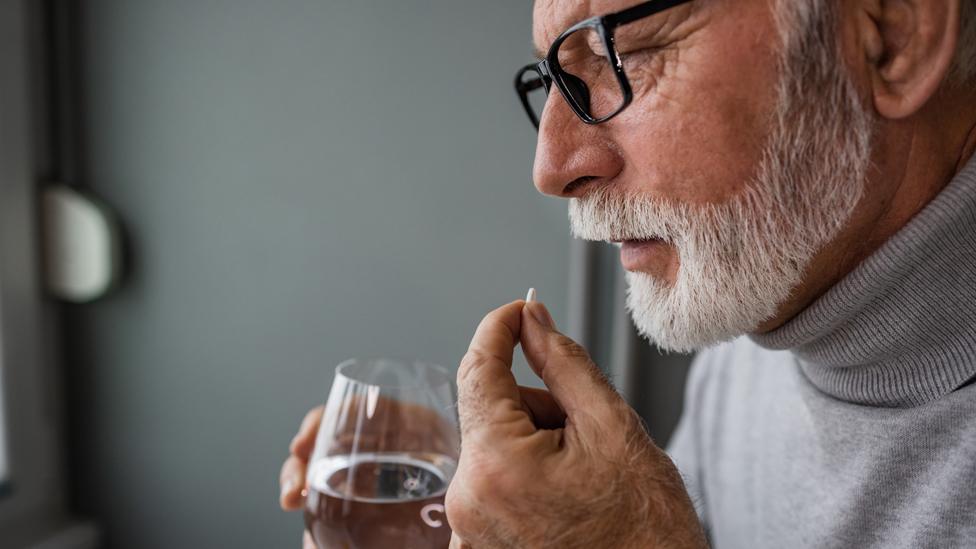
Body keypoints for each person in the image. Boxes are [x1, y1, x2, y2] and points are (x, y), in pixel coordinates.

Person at [281, 0, 976, 546]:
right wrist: (490, 498)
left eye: (623, 53)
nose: (551, 167)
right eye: (554, 78)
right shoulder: (764, 310)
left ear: (892, 33)